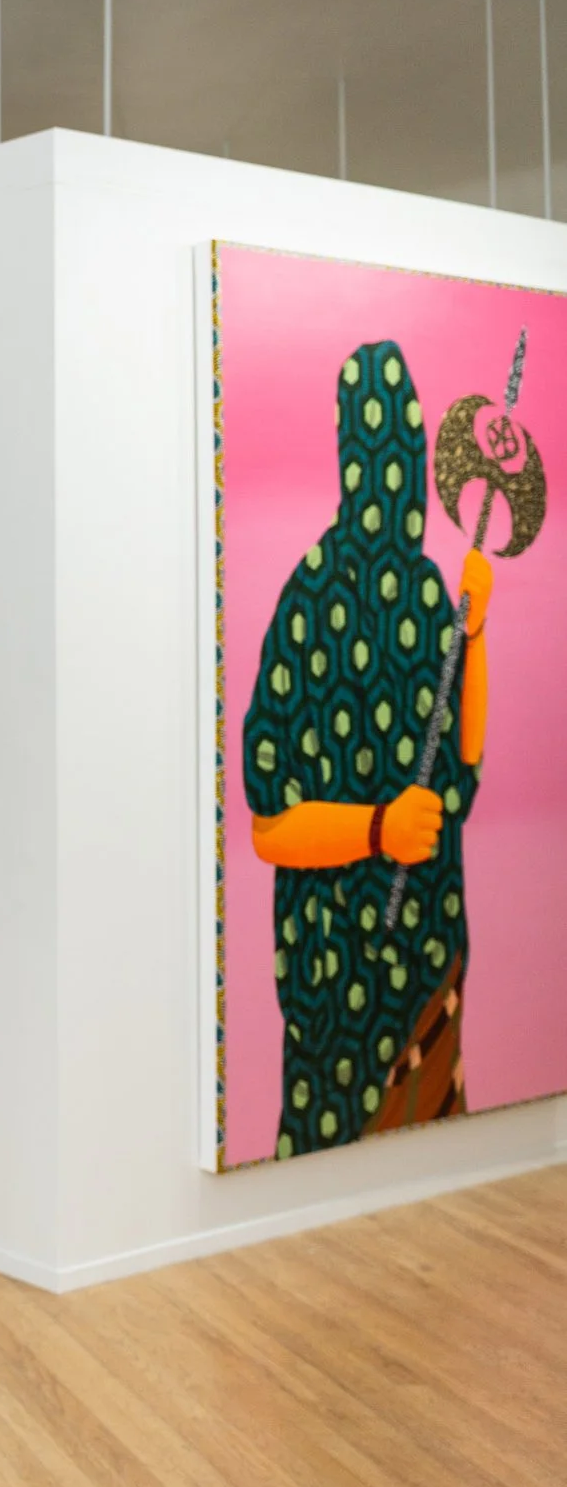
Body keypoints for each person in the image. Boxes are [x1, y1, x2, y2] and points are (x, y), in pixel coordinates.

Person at [244, 340, 492, 1155]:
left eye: (407, 441)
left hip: (431, 965)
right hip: (336, 989)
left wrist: (475, 635)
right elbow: (270, 826)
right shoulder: (307, 602)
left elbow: (463, 769)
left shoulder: (426, 593)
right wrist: (379, 828)